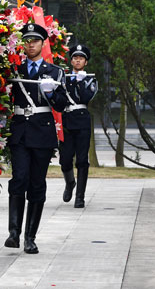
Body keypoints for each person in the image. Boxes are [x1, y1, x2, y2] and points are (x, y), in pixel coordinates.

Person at [5, 23, 67, 254]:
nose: (30, 44)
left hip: (42, 131)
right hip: (20, 130)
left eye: (35, 41)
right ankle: (14, 233)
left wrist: (51, 93)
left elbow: (62, 104)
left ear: (43, 43)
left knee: (37, 184)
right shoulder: (14, 70)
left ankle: (30, 237)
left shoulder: (55, 72)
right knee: (18, 178)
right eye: (27, 41)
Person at [60, 44, 97, 208]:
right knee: (65, 160)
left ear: (85, 62)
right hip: (67, 121)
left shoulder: (90, 80)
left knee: (82, 160)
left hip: (82, 121)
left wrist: (80, 82)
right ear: (71, 61)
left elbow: (86, 97)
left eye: (81, 58)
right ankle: (70, 183)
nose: (77, 60)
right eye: (75, 57)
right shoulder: (63, 78)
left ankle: (80, 196)